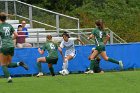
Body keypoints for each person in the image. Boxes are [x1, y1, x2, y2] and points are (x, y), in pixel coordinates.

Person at [0, 12, 28, 83]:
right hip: (11, 46)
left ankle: (9, 78)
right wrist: (10, 39)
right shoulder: (9, 25)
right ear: (5, 19)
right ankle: (20, 63)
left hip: (4, 46)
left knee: (3, 64)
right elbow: (16, 35)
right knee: (8, 64)